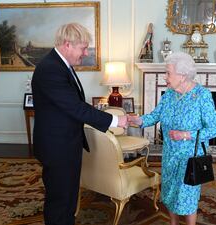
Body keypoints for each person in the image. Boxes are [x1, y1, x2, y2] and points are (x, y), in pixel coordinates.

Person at [31, 23, 127, 225]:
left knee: (67, 197)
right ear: (67, 44)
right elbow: (75, 107)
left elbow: (75, 105)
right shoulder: (50, 69)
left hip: (65, 143)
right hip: (57, 147)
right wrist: (116, 120)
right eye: (83, 48)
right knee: (60, 200)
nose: (85, 53)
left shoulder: (61, 66)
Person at [128, 52, 216, 225]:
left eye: (168, 73)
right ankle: (173, 223)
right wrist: (138, 120)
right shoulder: (169, 95)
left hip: (190, 158)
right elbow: (155, 116)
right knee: (170, 192)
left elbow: (215, 129)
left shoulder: (202, 96)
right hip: (170, 155)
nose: (165, 77)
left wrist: (186, 135)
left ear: (183, 75)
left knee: (187, 197)